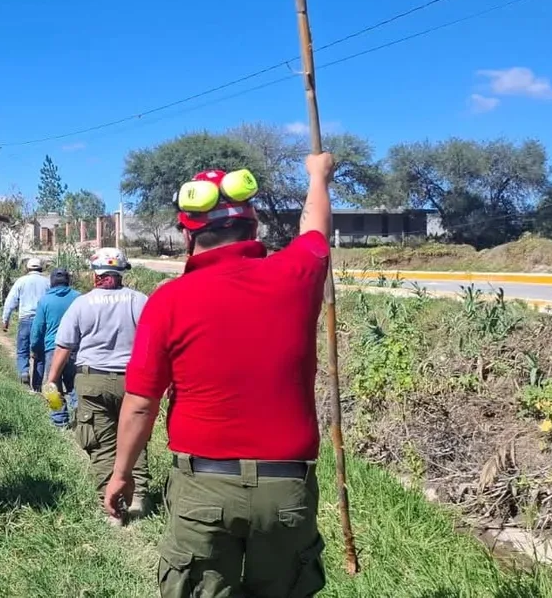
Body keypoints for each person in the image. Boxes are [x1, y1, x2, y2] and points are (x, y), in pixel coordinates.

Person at [107, 155, 335, 597]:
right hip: (286, 490)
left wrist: (122, 472)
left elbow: (141, 402)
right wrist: (317, 176)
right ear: (253, 230)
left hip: (203, 488)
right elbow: (315, 231)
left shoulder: (170, 300)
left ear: (188, 236)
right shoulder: (296, 274)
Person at [43, 247, 149, 523]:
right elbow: (154, 343)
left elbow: (65, 345)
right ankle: (137, 498)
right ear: (122, 273)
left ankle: (112, 506)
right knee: (134, 438)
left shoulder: (82, 303)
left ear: (96, 275)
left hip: (92, 381)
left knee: (102, 444)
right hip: (133, 380)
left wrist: (52, 379)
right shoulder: (140, 301)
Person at [29, 268, 82, 428]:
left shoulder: (45, 300)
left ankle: (59, 420)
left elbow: (38, 327)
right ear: (68, 281)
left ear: (51, 282)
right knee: (74, 384)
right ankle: (81, 415)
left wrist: (35, 348)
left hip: (53, 349)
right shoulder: (79, 297)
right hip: (75, 348)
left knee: (52, 385)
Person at [2, 257, 50, 385]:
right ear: (41, 268)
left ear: (27, 268)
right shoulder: (47, 282)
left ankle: (24, 371)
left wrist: (5, 319)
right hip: (42, 322)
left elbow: (10, 301)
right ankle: (37, 385)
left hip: (25, 320)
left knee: (23, 349)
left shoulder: (21, 281)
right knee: (40, 353)